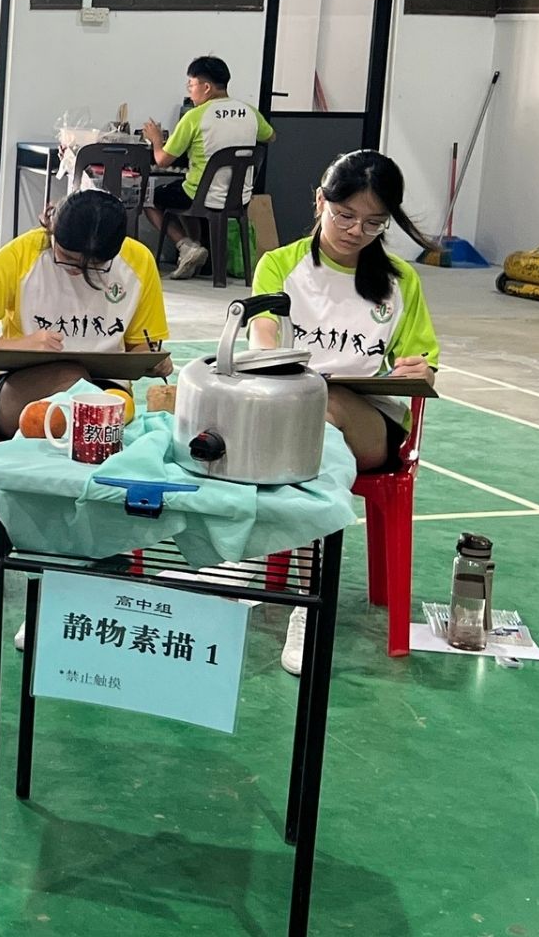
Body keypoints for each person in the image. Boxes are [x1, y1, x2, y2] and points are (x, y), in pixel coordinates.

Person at [249, 150, 439, 676]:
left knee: (324, 411)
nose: (357, 231)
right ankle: (296, 582)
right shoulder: (281, 265)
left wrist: (416, 369)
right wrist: (273, 356)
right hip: (291, 413)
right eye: (345, 216)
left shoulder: (401, 280)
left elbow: (423, 365)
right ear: (320, 202)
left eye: (375, 223)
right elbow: (262, 337)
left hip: (370, 425)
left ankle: (307, 606)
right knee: (300, 417)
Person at [0, 189, 173, 441]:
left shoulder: (138, 261)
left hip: (105, 387)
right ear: (53, 230)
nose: (78, 272)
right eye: (67, 258)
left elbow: (142, 345)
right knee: (73, 383)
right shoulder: (20, 256)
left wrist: (152, 360)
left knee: (107, 407)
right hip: (14, 387)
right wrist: (22, 345)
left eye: (95, 266)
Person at [141, 55, 276, 279]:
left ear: (206, 87)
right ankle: (196, 252)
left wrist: (156, 139)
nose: (190, 91)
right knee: (183, 192)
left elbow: (162, 160)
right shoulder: (250, 112)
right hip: (238, 198)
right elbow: (270, 136)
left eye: (191, 85)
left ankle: (186, 246)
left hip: (201, 195)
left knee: (148, 198)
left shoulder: (194, 117)